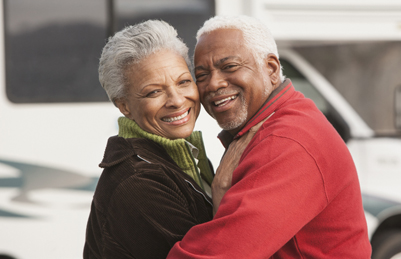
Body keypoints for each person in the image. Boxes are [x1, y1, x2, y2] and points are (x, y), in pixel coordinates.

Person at [168, 15, 371, 258]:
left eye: (229, 67)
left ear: (271, 69)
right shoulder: (277, 121)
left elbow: (220, 253)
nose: (213, 84)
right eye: (201, 76)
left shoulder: (287, 141)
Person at [83, 20, 253, 259]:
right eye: (154, 91)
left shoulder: (180, 156)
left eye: (183, 81)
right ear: (124, 106)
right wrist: (222, 191)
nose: (177, 100)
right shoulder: (138, 181)